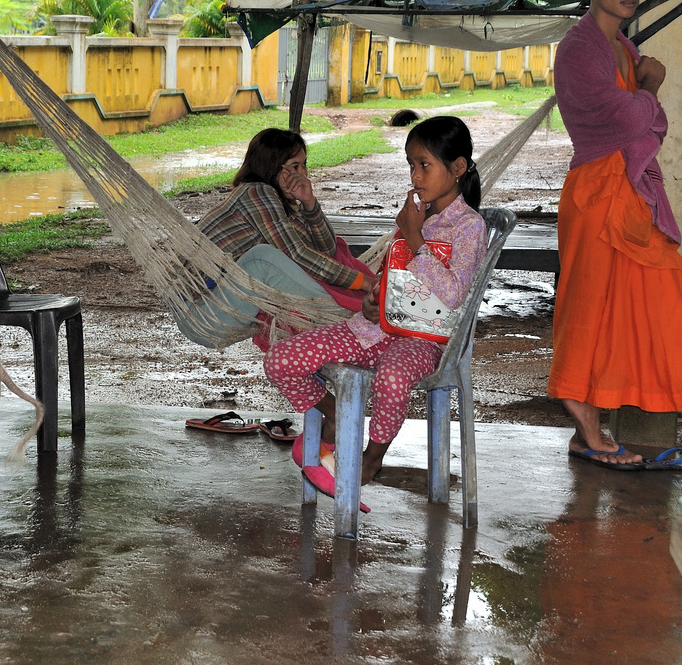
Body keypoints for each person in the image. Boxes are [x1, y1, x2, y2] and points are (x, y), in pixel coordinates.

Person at [263, 116, 487, 494]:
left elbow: (450, 295)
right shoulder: (415, 215)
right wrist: (373, 300)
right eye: (411, 165)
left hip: (422, 340)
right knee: (281, 359)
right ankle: (332, 419)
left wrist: (415, 236)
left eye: (424, 165)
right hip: (373, 329)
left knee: (393, 378)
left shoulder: (469, 228)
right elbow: (392, 276)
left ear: (458, 168)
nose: (415, 175)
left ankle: (373, 456)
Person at [547, 0, 682, 468]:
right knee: (588, 308)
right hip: (597, 193)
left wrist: (641, 85)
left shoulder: (623, 47)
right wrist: (652, 86)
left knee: (650, 303)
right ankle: (585, 419)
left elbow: (634, 114)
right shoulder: (579, 49)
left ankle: (615, 418)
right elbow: (635, 119)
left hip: (629, 193)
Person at [186, 128, 374, 348]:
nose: (302, 174)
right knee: (264, 258)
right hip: (204, 310)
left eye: (304, 165)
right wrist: (366, 283)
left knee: (288, 259)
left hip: (222, 304)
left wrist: (309, 204)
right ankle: (349, 307)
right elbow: (296, 254)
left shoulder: (278, 205)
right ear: (272, 167)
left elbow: (328, 251)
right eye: (294, 166)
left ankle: (348, 305)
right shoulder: (256, 193)